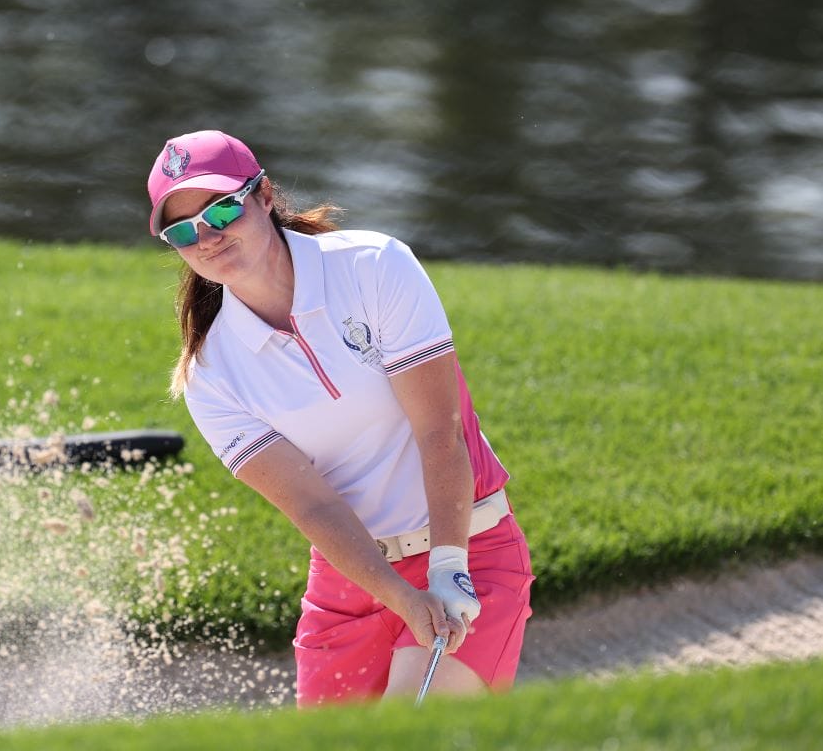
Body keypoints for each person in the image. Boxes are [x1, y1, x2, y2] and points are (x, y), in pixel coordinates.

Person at [146, 129, 533, 705]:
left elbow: (439, 432)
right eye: (182, 231)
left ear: (264, 196)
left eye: (223, 209)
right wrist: (401, 597)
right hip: (351, 583)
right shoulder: (210, 374)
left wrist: (449, 566)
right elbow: (314, 506)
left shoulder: (373, 267)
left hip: (468, 546)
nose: (207, 237)